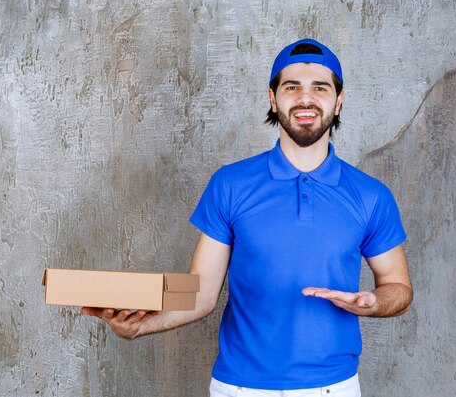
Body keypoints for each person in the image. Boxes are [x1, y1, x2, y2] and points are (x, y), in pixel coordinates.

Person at [83, 38, 413, 397]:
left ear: (339, 98)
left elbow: (398, 287)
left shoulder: (370, 195)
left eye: (320, 87)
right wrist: (137, 328)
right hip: (239, 387)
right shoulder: (230, 184)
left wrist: (374, 303)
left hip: (334, 387)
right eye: (291, 87)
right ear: (273, 98)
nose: (306, 99)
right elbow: (202, 294)